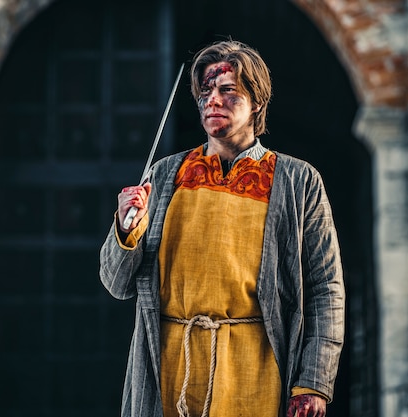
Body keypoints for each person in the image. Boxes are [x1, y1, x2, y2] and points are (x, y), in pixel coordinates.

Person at [100, 40, 345, 417]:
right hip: (169, 366)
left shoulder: (298, 181)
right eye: (205, 92)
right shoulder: (166, 175)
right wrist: (124, 227)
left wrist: (314, 382)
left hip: (256, 372)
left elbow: (325, 289)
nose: (212, 100)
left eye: (227, 90)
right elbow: (116, 284)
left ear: (257, 101)